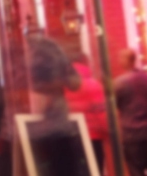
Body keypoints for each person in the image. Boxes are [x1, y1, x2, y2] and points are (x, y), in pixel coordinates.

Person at [25, 31, 90, 176]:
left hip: (53, 124)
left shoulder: (42, 56)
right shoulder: (54, 55)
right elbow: (74, 83)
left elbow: (74, 83)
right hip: (57, 122)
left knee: (58, 164)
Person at [115, 48, 147, 176]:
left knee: (136, 172)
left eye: (121, 58)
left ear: (126, 61)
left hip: (132, 136)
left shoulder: (120, 83)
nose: (119, 61)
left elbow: (115, 106)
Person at [66, 51, 110, 174]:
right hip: (92, 138)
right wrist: (108, 133)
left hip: (71, 138)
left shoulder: (64, 85)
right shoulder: (93, 85)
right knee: (94, 170)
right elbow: (101, 113)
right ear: (85, 63)